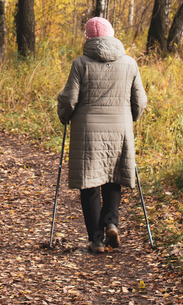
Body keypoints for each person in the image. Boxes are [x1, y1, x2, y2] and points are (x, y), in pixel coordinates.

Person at [57, 16, 147, 254]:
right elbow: (140, 101)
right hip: (120, 129)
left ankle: (96, 240)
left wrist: (63, 115)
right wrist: (131, 118)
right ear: (112, 35)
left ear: (87, 38)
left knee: (89, 183)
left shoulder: (80, 63)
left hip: (88, 131)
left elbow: (69, 99)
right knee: (113, 177)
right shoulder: (130, 63)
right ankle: (111, 223)